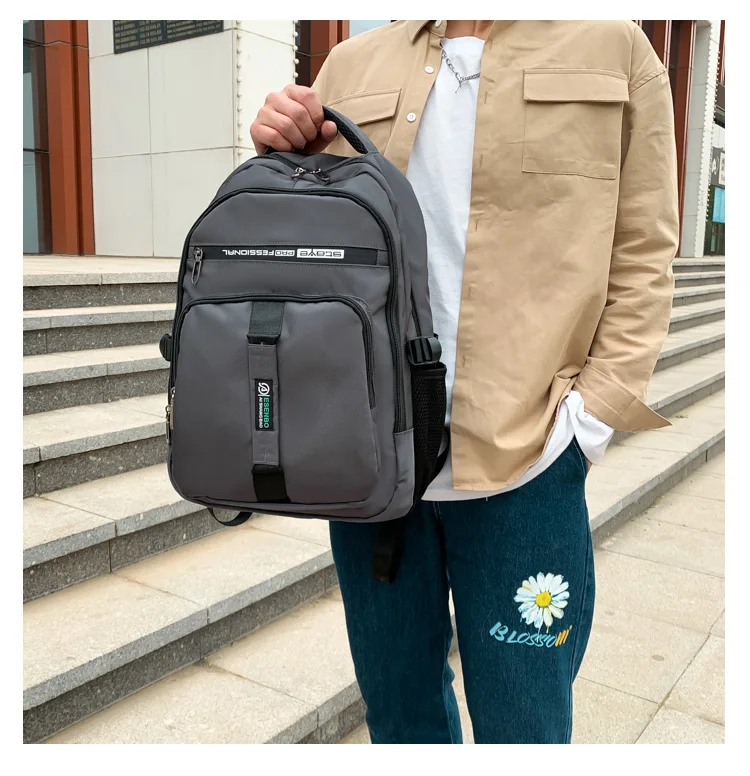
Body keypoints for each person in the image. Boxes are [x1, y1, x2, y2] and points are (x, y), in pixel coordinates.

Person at [250, 19, 678, 744]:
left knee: (526, 728)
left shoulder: (615, 50)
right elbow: (302, 239)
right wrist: (277, 149)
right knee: (399, 719)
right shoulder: (351, 63)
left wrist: (590, 420)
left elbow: (644, 250)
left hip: (529, 461)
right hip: (369, 461)